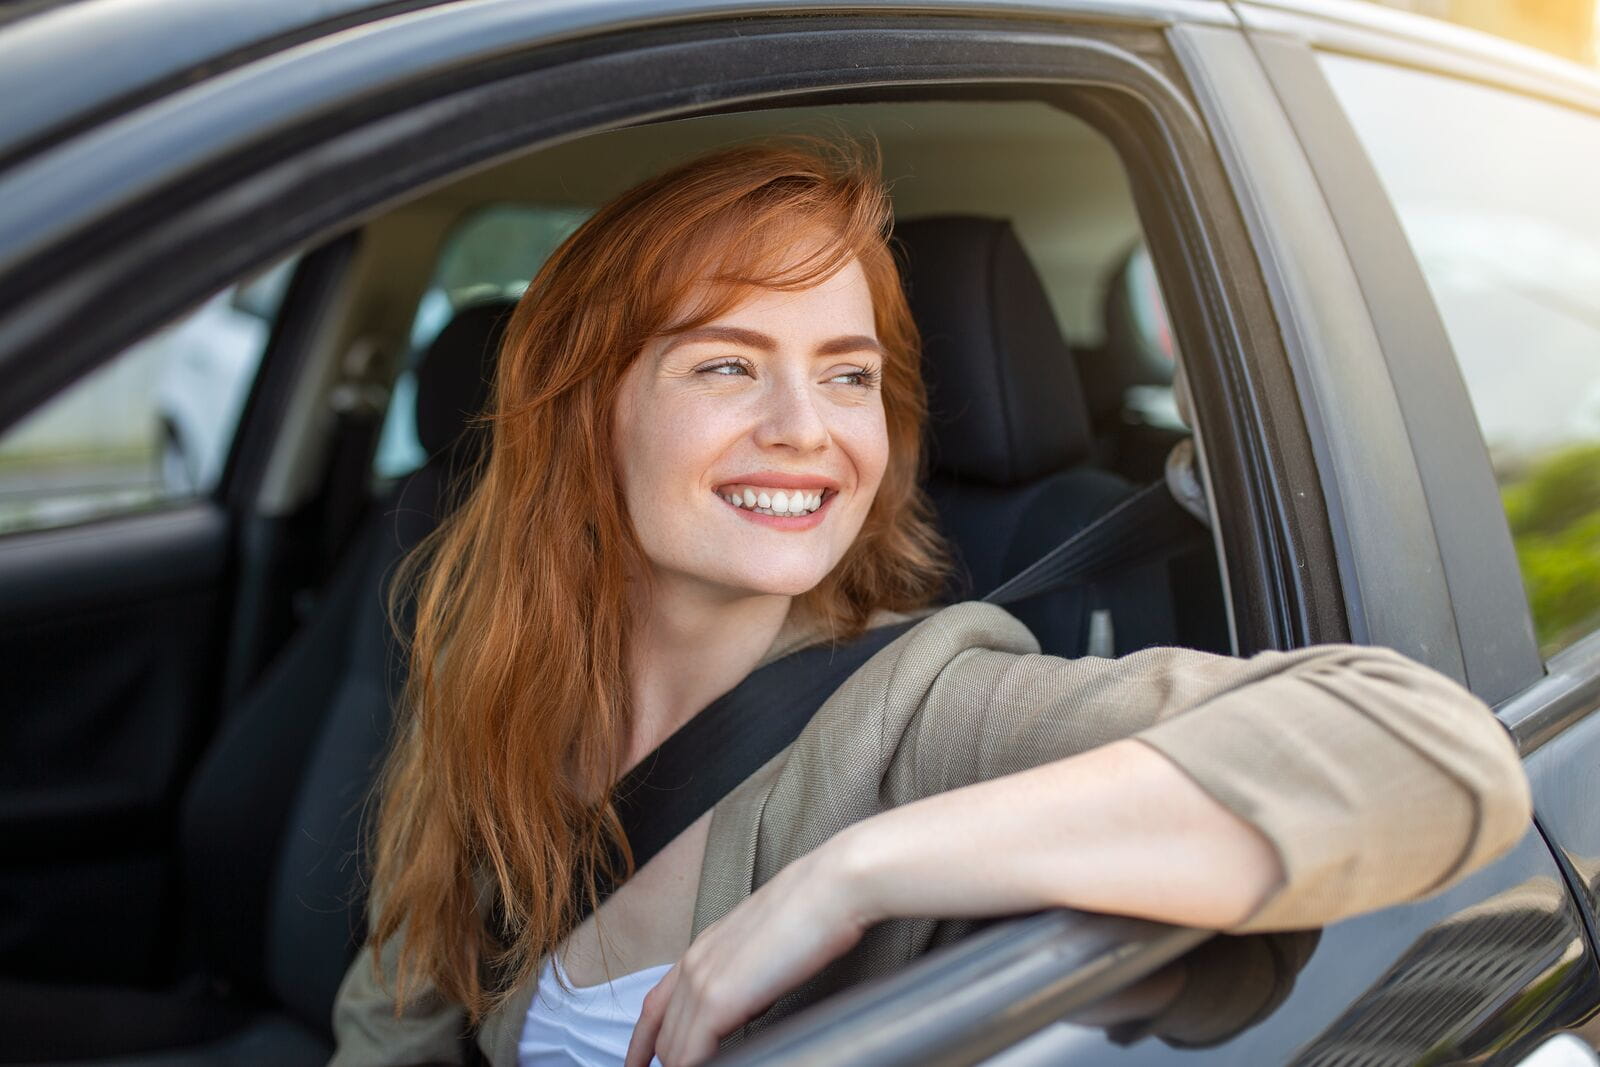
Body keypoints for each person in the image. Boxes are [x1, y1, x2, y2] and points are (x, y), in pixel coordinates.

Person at [329, 138, 1532, 1067]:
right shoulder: (496, 691)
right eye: (728, 363)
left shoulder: (929, 712)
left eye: (847, 374)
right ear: (586, 413)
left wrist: (853, 872)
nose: (805, 428)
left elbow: (1434, 750)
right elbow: (394, 1021)